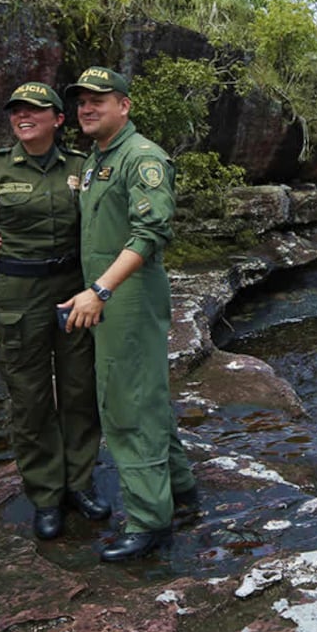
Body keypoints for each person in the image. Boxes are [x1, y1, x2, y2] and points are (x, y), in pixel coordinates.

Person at [60, 66, 197, 562]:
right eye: (81, 101)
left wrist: (100, 289)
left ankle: (149, 522)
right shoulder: (98, 160)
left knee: (125, 404)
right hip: (108, 296)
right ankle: (179, 491)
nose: (87, 108)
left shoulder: (142, 157)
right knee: (144, 396)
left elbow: (150, 233)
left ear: (125, 106)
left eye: (100, 99)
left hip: (127, 297)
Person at [0, 82, 111, 541]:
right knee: (29, 400)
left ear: (58, 119)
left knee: (78, 392)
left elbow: (100, 229)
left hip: (73, 291)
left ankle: (79, 484)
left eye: (34, 110)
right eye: (16, 111)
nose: (22, 117)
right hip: (17, 294)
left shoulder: (81, 168)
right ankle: (46, 495)